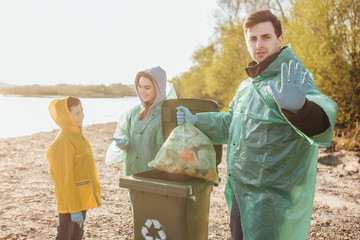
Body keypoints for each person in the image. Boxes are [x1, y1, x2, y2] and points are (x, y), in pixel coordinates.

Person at [177, 9, 338, 240]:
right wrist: (197, 119)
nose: (259, 44)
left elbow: (321, 121)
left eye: (266, 37)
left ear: (279, 39)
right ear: (246, 42)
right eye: (253, 38)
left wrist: (300, 111)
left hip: (274, 201)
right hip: (239, 193)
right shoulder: (247, 86)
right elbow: (231, 124)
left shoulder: (291, 78)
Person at [47, 96, 102, 240]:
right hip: (70, 202)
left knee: (77, 236)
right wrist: (74, 209)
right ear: (66, 116)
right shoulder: (63, 142)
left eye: (82, 111)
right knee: (65, 236)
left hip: (80, 198)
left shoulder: (79, 136)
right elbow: (64, 180)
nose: (82, 116)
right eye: (77, 113)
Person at [106, 66, 176, 176]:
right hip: (132, 173)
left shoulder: (168, 114)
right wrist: (123, 142)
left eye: (147, 88)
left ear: (158, 88)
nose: (142, 91)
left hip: (158, 177)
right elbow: (124, 134)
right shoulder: (132, 113)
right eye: (140, 87)